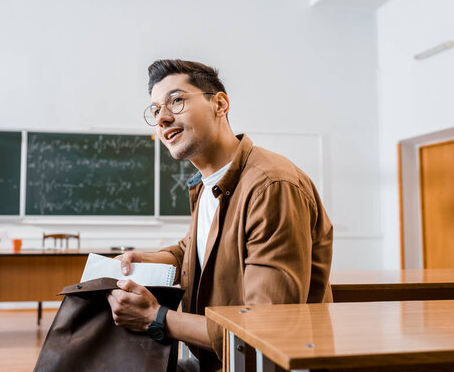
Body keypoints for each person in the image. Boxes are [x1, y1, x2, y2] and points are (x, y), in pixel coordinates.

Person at [106, 59, 333, 372]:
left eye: (176, 100)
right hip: (218, 359)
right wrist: (145, 259)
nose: (163, 118)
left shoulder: (271, 186)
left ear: (220, 104)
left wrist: (155, 318)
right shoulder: (208, 182)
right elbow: (192, 249)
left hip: (259, 364)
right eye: (156, 109)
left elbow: (264, 331)